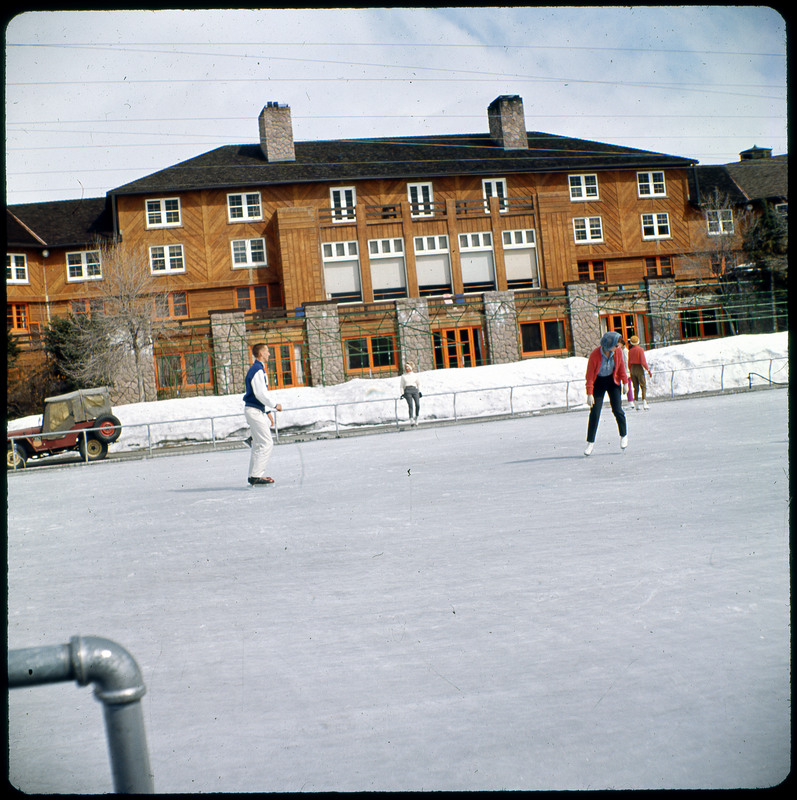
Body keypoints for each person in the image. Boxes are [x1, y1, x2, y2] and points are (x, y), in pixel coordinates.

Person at [243, 343, 283, 486]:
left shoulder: (258, 369)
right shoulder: (257, 370)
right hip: (253, 411)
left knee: (259, 444)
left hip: (255, 410)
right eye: (267, 351)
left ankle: (253, 476)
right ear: (260, 353)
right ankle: (256, 476)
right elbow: (260, 393)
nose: (269, 354)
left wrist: (267, 412)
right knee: (266, 443)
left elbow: (258, 394)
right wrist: (274, 405)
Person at [584, 330, 629, 456]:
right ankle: (590, 442)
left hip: (613, 381)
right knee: (595, 412)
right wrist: (589, 393)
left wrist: (625, 382)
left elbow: (621, 367)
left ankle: (623, 434)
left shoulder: (618, 352)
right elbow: (590, 375)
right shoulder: (595, 355)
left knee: (617, 409)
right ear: (609, 345)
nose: (618, 347)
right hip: (599, 382)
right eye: (616, 345)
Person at [628, 335, 653, 410]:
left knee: (635, 387)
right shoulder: (640, 350)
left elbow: (629, 363)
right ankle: (644, 402)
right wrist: (648, 369)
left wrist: (630, 370)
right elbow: (643, 361)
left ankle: (636, 403)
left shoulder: (630, 351)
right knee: (643, 385)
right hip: (639, 368)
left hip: (632, 368)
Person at [619, 338, 634, 409]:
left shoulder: (625, 351)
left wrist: (627, 371)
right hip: (623, 372)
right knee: (627, 386)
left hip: (626, 372)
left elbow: (626, 361)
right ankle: (630, 401)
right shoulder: (621, 351)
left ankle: (631, 401)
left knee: (628, 387)